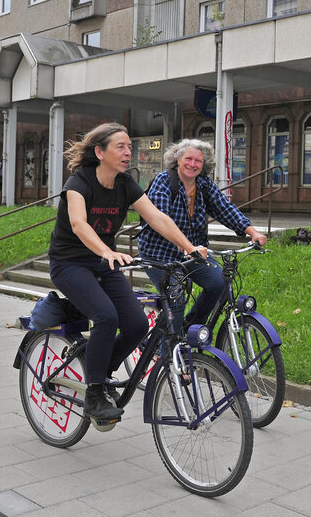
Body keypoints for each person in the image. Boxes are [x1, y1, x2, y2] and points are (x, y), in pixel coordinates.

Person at [48, 123, 206, 422]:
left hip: (104, 263)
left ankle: (99, 370)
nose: (127, 152)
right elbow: (80, 224)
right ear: (100, 152)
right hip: (70, 263)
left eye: (129, 147)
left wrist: (188, 247)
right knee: (106, 316)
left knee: (136, 325)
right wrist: (106, 251)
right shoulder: (78, 182)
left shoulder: (125, 184)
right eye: (120, 146)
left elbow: (157, 217)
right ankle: (95, 394)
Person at [138, 139, 267, 331]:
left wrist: (252, 231)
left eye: (198, 161)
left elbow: (225, 209)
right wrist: (183, 243)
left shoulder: (204, 184)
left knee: (220, 283)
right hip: (159, 253)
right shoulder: (165, 180)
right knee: (176, 297)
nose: (193, 164)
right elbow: (159, 218)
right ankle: (168, 353)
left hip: (194, 253)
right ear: (178, 159)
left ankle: (192, 331)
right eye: (188, 158)